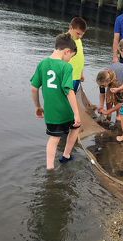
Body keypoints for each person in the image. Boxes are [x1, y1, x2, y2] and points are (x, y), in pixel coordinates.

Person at [30, 33, 81, 170]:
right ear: (67, 51)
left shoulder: (43, 64)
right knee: (75, 127)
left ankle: (49, 168)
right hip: (66, 111)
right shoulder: (66, 67)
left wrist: (38, 106)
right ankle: (66, 155)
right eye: (71, 57)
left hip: (51, 113)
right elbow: (69, 91)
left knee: (53, 139)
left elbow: (34, 88)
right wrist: (76, 113)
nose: (69, 60)